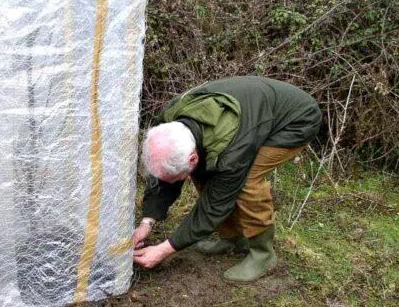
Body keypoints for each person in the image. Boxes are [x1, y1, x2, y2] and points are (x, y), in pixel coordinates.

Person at [132, 76, 321, 282]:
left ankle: (263, 255)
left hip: (295, 120)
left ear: (192, 156)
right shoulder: (167, 123)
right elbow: (164, 177)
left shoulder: (231, 154)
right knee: (203, 172)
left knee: (248, 182)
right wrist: (147, 221)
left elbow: (216, 203)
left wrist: (164, 249)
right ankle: (232, 237)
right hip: (254, 113)